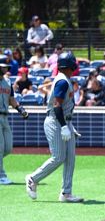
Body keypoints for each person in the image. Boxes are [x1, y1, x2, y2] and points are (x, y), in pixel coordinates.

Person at [26, 52, 83, 202]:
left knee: (70, 158)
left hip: (65, 121)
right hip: (56, 121)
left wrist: (69, 125)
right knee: (58, 157)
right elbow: (57, 106)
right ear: (69, 66)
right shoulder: (62, 81)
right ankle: (33, 178)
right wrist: (64, 126)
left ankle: (66, 193)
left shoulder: (65, 79)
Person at [0, 55, 29, 185]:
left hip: (5, 117)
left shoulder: (7, 82)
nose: (6, 69)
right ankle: (1, 176)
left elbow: (11, 99)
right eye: (3, 67)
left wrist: (20, 109)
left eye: (6, 67)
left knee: (8, 148)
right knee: (0, 147)